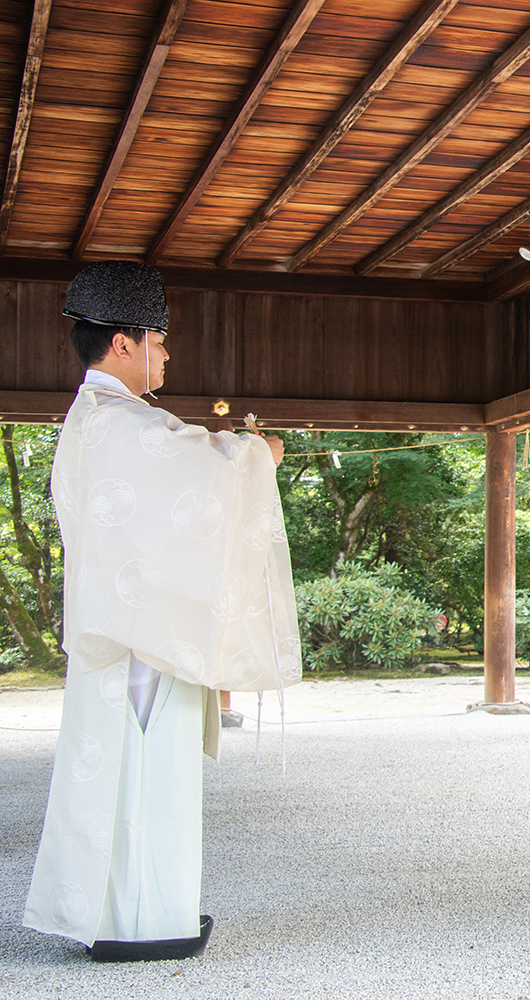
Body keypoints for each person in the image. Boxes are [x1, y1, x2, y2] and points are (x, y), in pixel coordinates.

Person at [23, 261, 301, 961]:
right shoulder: (117, 423)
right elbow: (198, 470)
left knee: (134, 777)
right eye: (160, 339)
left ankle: (135, 915)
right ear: (124, 343)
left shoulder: (100, 419)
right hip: (141, 644)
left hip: (132, 635)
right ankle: (143, 923)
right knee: (145, 778)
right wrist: (256, 457)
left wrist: (241, 460)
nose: (168, 353)